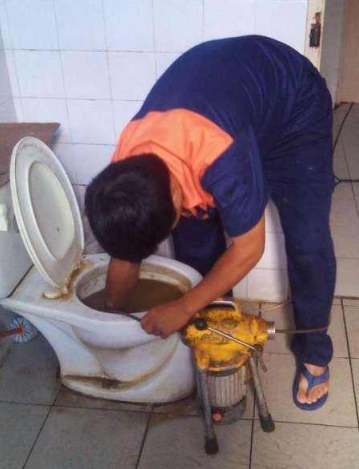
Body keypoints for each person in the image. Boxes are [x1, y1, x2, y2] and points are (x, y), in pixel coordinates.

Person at [85, 35, 336, 411]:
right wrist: (113, 316)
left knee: (308, 240)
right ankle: (220, 340)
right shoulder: (126, 168)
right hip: (228, 110)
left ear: (175, 197)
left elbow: (249, 249)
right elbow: (127, 249)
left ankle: (314, 352)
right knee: (196, 252)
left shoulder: (220, 156)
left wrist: (184, 307)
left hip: (294, 111)